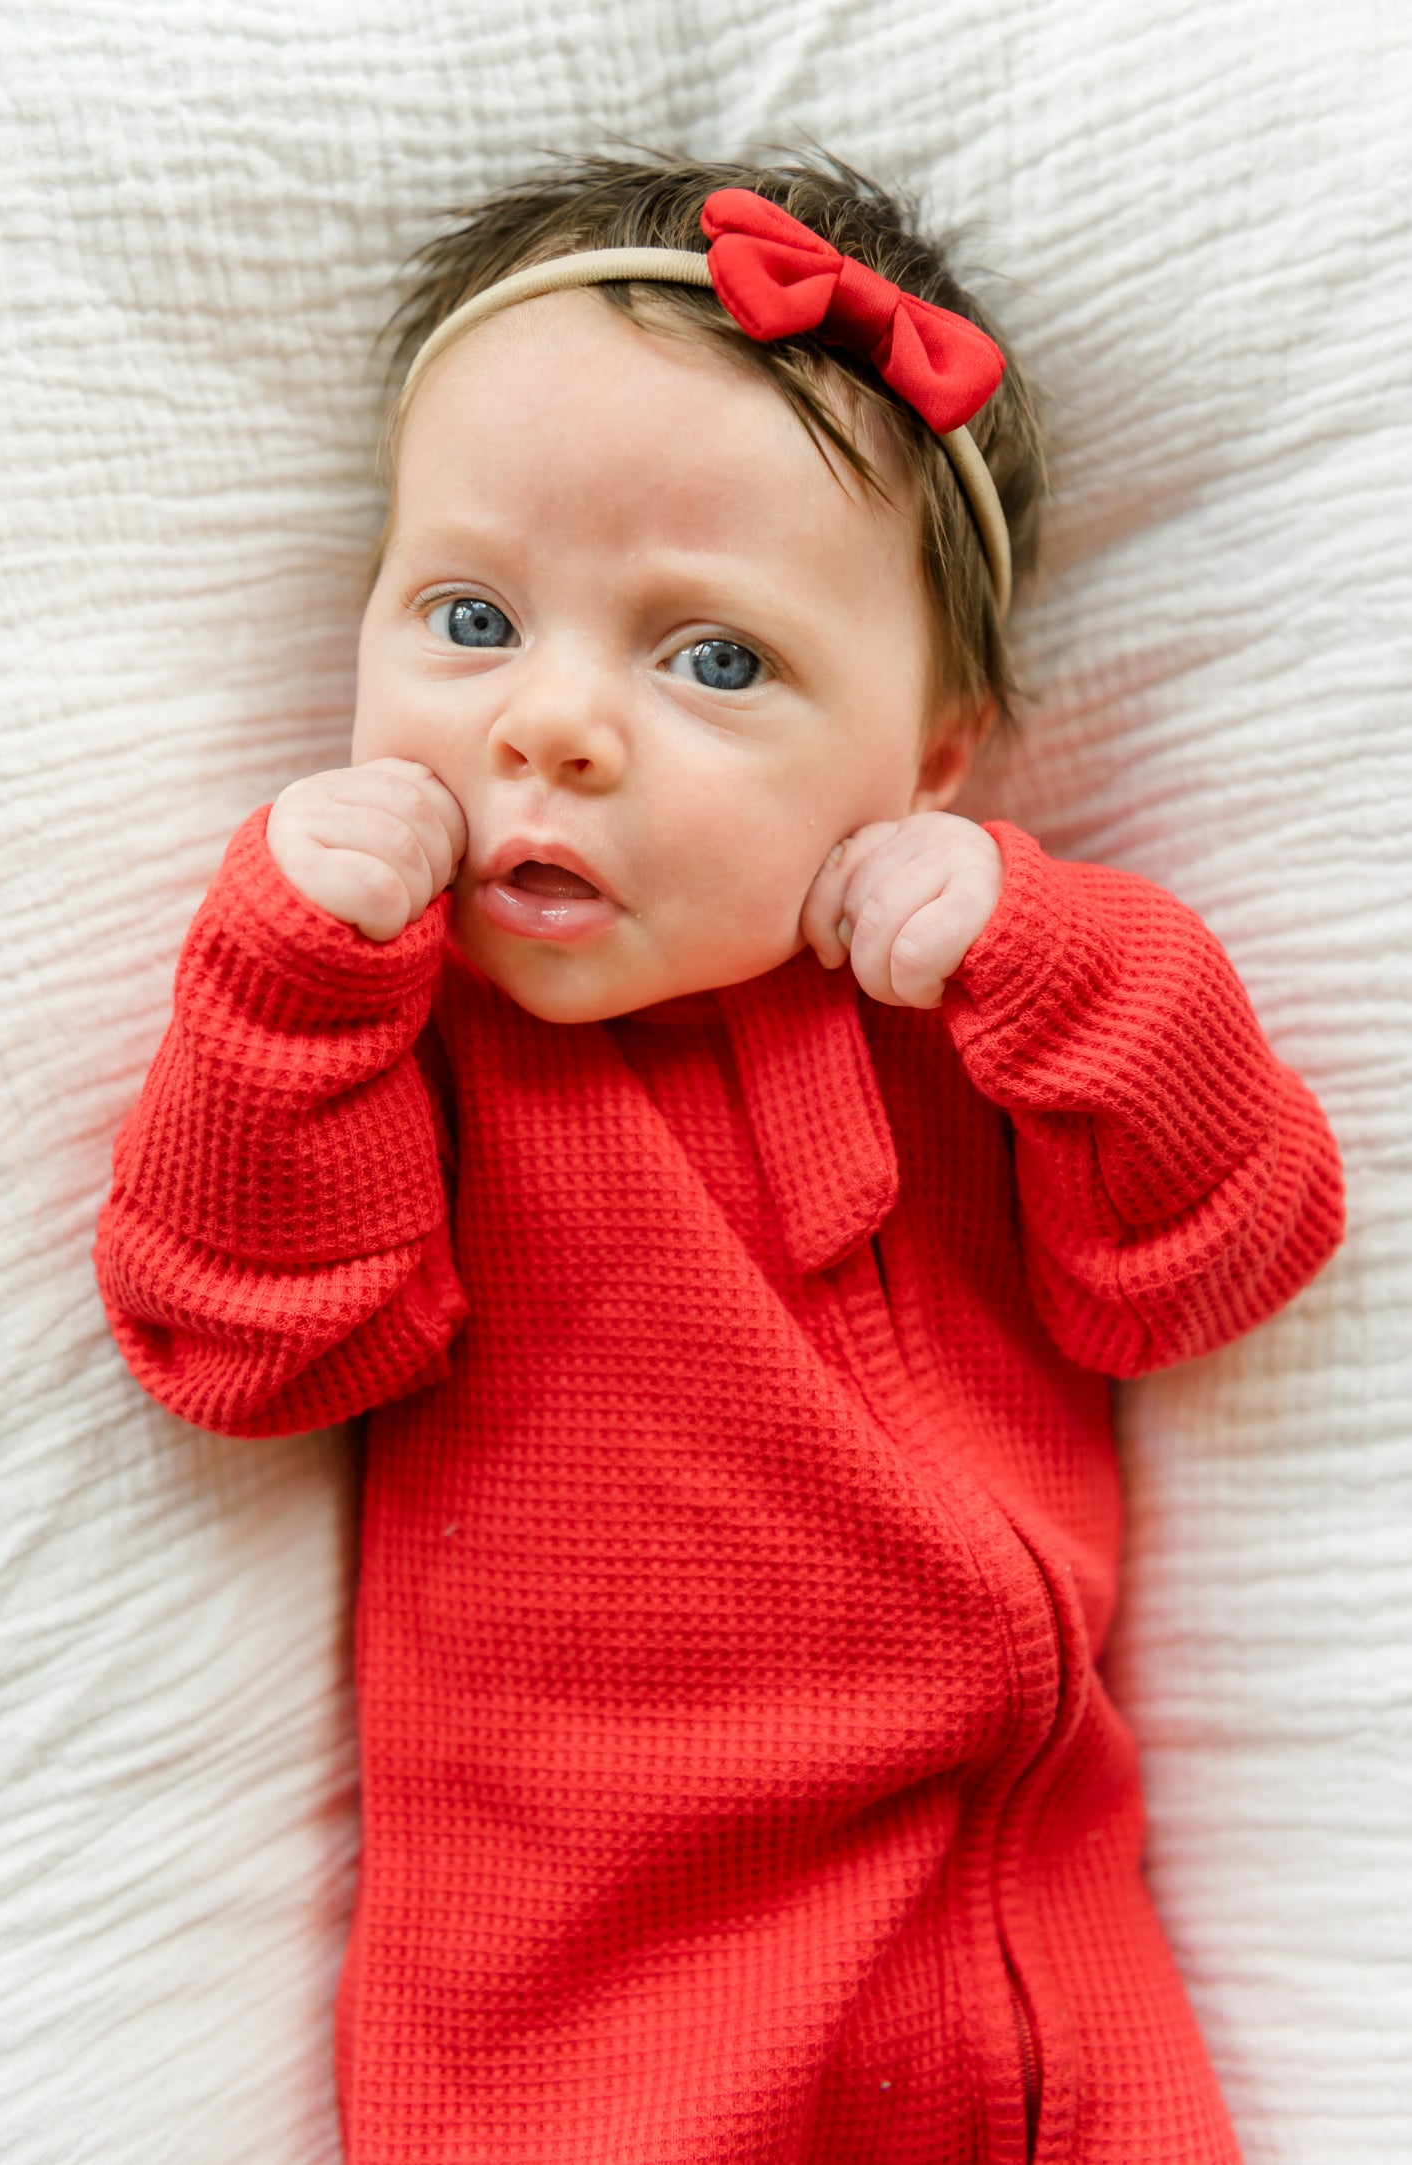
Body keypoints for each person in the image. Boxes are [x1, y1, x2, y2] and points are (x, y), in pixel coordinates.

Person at [95, 154, 1344, 2164]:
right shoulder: (401, 1043)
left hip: (1031, 1966)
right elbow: (250, 1350)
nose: (556, 729)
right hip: (584, 2017)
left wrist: (1073, 960)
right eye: (475, 620)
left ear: (931, 754)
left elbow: (1215, 1259)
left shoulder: (966, 1007)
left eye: (717, 661)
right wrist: (286, 988)